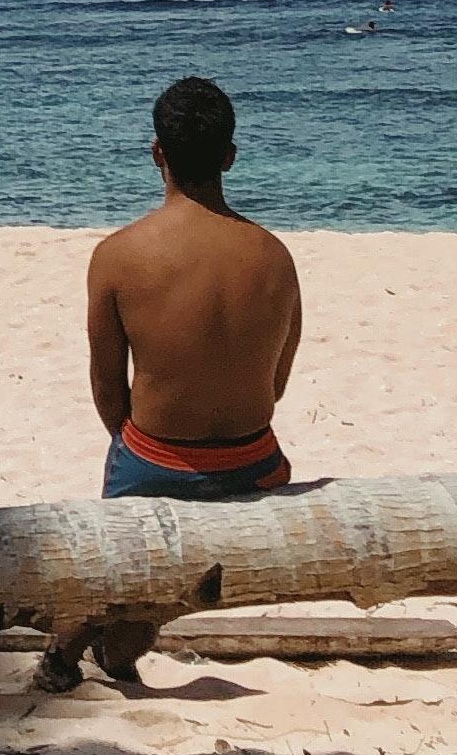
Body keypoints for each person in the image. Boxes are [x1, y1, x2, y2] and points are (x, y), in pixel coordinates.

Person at [87, 75, 301, 500]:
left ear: (157, 153)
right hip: (253, 459)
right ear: (230, 157)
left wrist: (149, 450)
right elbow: (275, 383)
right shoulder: (275, 256)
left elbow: (108, 388)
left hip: (154, 460)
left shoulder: (116, 256)